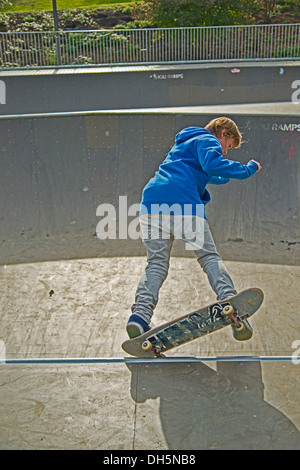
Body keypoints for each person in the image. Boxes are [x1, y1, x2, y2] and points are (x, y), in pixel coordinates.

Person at [127, 117, 262, 339]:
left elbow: (207, 171)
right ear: (224, 133)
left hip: (152, 204)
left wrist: (224, 175)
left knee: (156, 264)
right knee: (209, 257)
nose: (225, 152)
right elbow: (212, 164)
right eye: (227, 147)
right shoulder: (208, 139)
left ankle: (139, 317)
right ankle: (230, 302)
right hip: (183, 205)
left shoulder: (185, 144)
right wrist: (247, 169)